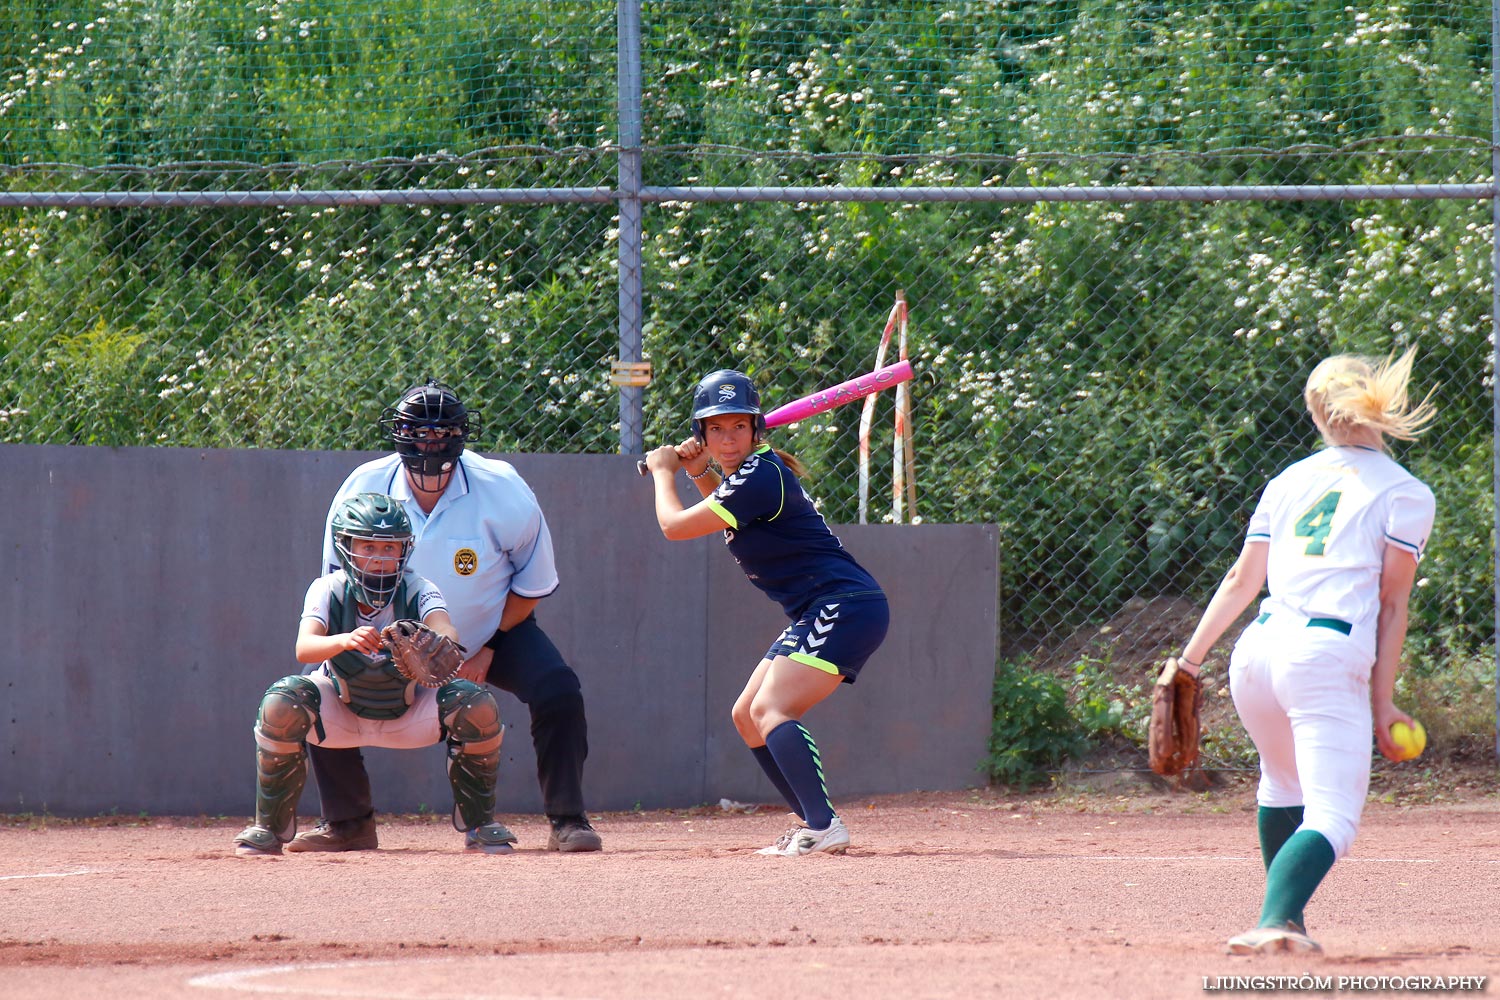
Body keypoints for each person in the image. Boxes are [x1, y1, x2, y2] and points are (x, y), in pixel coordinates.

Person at [1167, 348, 1436, 954]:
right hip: (1321, 652)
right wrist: (1383, 702)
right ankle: (1275, 919)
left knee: (1281, 786)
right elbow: (1393, 605)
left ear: (1317, 415)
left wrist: (1187, 660)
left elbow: (1241, 580)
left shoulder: (1289, 479)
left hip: (1256, 651)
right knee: (1334, 816)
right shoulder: (1405, 492)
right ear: (1380, 407)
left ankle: (1288, 920)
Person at [288, 380, 602, 854]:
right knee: (320, 686)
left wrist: (487, 648)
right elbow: (341, 585)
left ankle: (568, 820)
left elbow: (530, 584)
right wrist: (366, 645)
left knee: (558, 689)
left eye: (441, 434)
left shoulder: (502, 488)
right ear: (398, 436)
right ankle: (348, 823)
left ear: (460, 437)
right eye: (418, 434)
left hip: (491, 631)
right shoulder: (364, 487)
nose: (429, 445)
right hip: (390, 636)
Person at [644, 369, 889, 856]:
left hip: (843, 605)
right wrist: (696, 470)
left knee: (771, 709)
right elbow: (723, 500)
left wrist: (661, 471)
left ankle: (823, 826)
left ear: (757, 429)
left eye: (738, 426)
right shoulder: (752, 477)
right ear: (702, 434)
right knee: (747, 716)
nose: (728, 438)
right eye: (716, 429)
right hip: (821, 609)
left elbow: (673, 526)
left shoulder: (761, 475)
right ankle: (811, 822)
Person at [234, 492, 515, 856]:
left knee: (475, 703)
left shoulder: (419, 587)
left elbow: (448, 631)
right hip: (343, 710)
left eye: (390, 548)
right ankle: (268, 830)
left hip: (409, 710)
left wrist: (431, 642)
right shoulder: (328, 588)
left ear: (404, 550)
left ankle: (481, 826)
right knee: (282, 700)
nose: (380, 559)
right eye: (368, 547)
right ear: (346, 547)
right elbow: (304, 648)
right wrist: (345, 641)